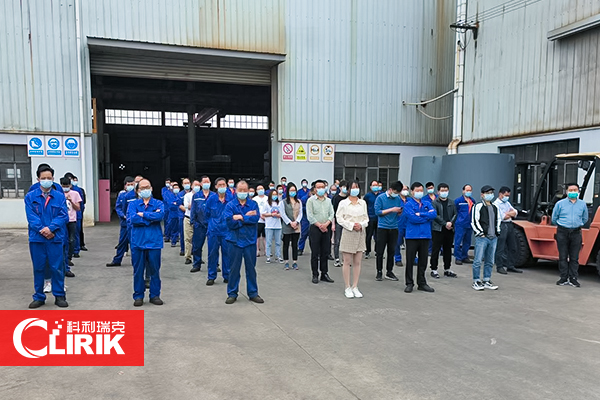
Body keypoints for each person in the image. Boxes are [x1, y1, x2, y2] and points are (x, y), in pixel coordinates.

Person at [25, 164, 69, 308]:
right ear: (38, 179)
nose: (46, 180)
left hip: (55, 238)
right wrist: (42, 230)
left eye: (49, 178)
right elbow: (31, 217)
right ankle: (39, 296)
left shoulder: (59, 197)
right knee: (38, 268)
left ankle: (59, 295)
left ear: (53, 179)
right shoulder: (30, 197)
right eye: (43, 178)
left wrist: (51, 229)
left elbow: (63, 215)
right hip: (37, 239)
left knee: (57, 267)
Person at [223, 181, 264, 304]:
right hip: (234, 241)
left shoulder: (253, 204)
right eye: (240, 190)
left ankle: (253, 293)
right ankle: (232, 293)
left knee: (251, 269)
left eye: (245, 190)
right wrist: (246, 217)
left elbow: (255, 218)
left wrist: (240, 217)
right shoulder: (230, 205)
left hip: (249, 241)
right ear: (236, 191)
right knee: (233, 269)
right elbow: (230, 223)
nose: (242, 192)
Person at [127, 179, 165, 306]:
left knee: (155, 270)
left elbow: (160, 216)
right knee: (138, 271)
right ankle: (138, 295)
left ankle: (155, 295)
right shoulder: (133, 204)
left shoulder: (158, 203)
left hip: (154, 242)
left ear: (151, 188)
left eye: (147, 187)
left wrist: (143, 214)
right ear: (138, 191)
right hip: (138, 242)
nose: (145, 190)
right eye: (142, 188)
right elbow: (133, 219)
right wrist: (151, 218)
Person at [552, 183, 588, 287]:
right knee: (563, 256)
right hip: (562, 231)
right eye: (570, 190)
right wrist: (561, 225)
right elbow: (554, 218)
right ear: (567, 191)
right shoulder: (560, 204)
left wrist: (578, 224)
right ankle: (563, 278)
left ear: (578, 191)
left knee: (574, 257)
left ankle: (573, 278)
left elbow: (585, 218)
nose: (573, 192)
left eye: (575, 190)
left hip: (576, 232)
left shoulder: (582, 204)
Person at [336, 181, 368, 299]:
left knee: (357, 261)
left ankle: (355, 286)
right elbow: (339, 218)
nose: (355, 189)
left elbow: (366, 218)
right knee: (347, 261)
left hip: (360, 233)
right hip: (348, 232)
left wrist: (361, 225)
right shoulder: (343, 203)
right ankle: (347, 286)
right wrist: (351, 225)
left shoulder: (362, 203)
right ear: (348, 189)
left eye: (357, 187)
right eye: (353, 187)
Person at [403, 182, 437, 293]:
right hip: (412, 236)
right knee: (410, 260)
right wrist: (426, 217)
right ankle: (409, 283)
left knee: (423, 261)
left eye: (421, 191)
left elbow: (434, 215)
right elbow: (413, 218)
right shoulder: (408, 204)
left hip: (425, 235)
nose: (419, 193)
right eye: (417, 191)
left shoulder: (427, 203)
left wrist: (421, 214)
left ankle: (422, 283)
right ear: (412, 192)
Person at [471, 185, 501, 291]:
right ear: (482, 195)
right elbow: (474, 221)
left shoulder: (495, 207)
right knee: (478, 260)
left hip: (493, 237)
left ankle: (487, 280)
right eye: (487, 193)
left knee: (490, 261)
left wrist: (497, 232)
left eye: (491, 193)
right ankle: (476, 281)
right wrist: (480, 233)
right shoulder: (478, 206)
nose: (490, 195)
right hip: (482, 238)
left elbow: (498, 220)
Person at [374, 181, 404, 282]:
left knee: (391, 251)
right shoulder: (380, 198)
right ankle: (379, 271)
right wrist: (391, 209)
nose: (396, 194)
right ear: (390, 190)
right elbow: (378, 212)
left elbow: (398, 212)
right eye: (395, 192)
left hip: (394, 227)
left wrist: (399, 211)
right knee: (380, 251)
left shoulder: (398, 198)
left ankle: (389, 271)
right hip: (382, 227)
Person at [306, 180, 335, 284]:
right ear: (314, 189)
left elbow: (331, 213)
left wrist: (326, 224)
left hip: (326, 228)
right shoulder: (310, 201)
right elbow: (310, 216)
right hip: (315, 228)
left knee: (325, 252)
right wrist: (320, 225)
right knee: (315, 253)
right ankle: (315, 274)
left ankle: (324, 273)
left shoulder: (328, 201)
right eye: (319, 187)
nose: (321, 189)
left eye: (323, 187)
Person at [205, 177, 232, 285]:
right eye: (219, 185)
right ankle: (211, 276)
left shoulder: (231, 198)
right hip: (213, 231)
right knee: (212, 254)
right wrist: (212, 224)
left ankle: (227, 275)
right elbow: (206, 214)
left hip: (226, 231)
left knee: (227, 254)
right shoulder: (211, 199)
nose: (222, 187)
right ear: (216, 186)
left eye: (223, 185)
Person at [430, 183, 457, 278]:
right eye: (442, 190)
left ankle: (447, 269)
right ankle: (434, 269)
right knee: (436, 250)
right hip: (438, 229)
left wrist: (451, 223)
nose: (444, 192)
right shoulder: (435, 202)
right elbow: (435, 215)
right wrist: (445, 223)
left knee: (448, 249)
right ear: (438, 192)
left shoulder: (452, 202)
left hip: (449, 229)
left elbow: (455, 214)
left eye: (446, 190)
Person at [107, 176, 136, 267]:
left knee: (134, 243)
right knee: (122, 243)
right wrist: (123, 215)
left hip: (135, 223)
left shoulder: (136, 195)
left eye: (132, 184)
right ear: (125, 186)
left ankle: (136, 261)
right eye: (128, 184)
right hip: (125, 223)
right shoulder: (122, 195)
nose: (130, 186)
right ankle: (117, 260)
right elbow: (118, 207)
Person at [493, 187, 523, 275]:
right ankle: (499, 266)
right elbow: (502, 217)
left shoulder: (507, 203)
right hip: (502, 225)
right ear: (500, 194)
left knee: (513, 246)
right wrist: (510, 214)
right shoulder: (496, 204)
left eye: (508, 195)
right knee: (501, 247)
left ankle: (510, 265)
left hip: (510, 224)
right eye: (506, 195)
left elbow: (515, 212)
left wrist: (508, 214)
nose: (507, 197)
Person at [190, 176, 213, 272]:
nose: (206, 183)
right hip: (199, 224)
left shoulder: (214, 195)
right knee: (197, 246)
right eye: (204, 182)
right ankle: (196, 264)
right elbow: (193, 209)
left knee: (213, 246)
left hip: (212, 224)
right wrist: (192, 221)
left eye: (208, 181)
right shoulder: (196, 196)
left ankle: (214, 265)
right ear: (201, 184)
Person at [280, 182, 303, 270]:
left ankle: (295, 262)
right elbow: (283, 214)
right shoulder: (283, 202)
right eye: (291, 190)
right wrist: (290, 223)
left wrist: (296, 222)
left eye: (294, 190)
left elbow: (300, 213)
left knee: (295, 244)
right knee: (286, 244)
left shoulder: (299, 202)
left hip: (296, 226)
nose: (293, 192)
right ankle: (286, 262)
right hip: (287, 226)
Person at [60, 177, 82, 268]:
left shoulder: (75, 194)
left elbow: (78, 208)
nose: (65, 188)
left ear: (70, 185)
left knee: (71, 239)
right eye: (63, 186)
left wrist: (71, 201)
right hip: (62, 220)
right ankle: (63, 257)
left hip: (72, 219)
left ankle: (69, 257)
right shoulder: (59, 194)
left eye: (67, 186)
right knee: (62, 239)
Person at [64, 173, 85, 258]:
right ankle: (67, 253)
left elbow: (81, 204)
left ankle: (75, 250)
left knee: (75, 234)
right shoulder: (59, 193)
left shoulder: (77, 191)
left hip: (75, 216)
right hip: (64, 218)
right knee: (66, 236)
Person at [454, 184, 475, 265]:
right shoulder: (458, 201)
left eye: (470, 190)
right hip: (460, 224)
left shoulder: (472, 201)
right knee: (458, 241)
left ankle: (464, 256)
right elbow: (455, 212)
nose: (469, 192)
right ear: (463, 191)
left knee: (467, 242)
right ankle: (458, 257)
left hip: (469, 224)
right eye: (467, 190)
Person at [262, 188, 283, 264]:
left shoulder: (279, 203)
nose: (275, 196)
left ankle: (278, 256)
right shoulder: (266, 203)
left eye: (276, 194)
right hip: (269, 225)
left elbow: (282, 213)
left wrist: (279, 215)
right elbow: (263, 213)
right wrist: (271, 214)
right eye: (273, 194)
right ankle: (268, 256)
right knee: (269, 242)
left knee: (278, 242)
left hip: (278, 226)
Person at [331, 180, 348, 267]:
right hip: (338, 222)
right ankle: (337, 259)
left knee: (346, 241)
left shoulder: (349, 198)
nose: (345, 189)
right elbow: (333, 212)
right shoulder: (336, 198)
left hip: (347, 223)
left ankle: (345, 259)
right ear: (340, 188)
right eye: (344, 187)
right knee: (337, 241)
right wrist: (333, 224)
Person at [183, 180, 200, 265]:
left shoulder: (201, 196)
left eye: (198, 185)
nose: (197, 186)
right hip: (188, 218)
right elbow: (187, 206)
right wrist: (197, 206)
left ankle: (198, 257)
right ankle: (188, 257)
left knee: (198, 240)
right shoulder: (187, 195)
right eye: (195, 185)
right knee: (188, 239)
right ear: (192, 186)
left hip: (198, 220)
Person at [363, 180, 380, 259]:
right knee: (368, 235)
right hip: (370, 218)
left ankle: (377, 251)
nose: (375, 187)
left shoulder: (381, 195)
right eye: (373, 185)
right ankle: (367, 251)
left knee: (378, 236)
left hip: (379, 218)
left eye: (376, 185)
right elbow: (364, 206)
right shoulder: (368, 196)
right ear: (370, 187)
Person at [394, 185, 410, 267]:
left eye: (406, 189)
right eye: (403, 189)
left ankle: (413, 258)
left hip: (409, 224)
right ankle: (397, 259)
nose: (405, 191)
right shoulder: (396, 200)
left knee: (411, 243)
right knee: (397, 242)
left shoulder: (410, 200)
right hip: (398, 224)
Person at [70, 175, 87, 252]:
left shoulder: (78, 190)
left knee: (77, 232)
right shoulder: (62, 191)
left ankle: (77, 248)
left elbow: (82, 203)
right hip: (69, 216)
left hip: (77, 214)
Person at [177, 178, 192, 256]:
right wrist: (188, 210)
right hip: (183, 216)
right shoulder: (180, 194)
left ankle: (192, 249)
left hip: (193, 216)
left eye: (188, 183)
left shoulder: (194, 193)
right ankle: (183, 249)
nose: (187, 184)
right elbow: (180, 205)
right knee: (183, 234)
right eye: (185, 183)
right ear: (182, 185)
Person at [297, 185, 313, 256]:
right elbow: (301, 207)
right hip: (305, 218)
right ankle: (300, 248)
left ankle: (314, 250)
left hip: (313, 219)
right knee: (304, 234)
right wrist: (307, 209)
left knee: (313, 236)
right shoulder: (304, 198)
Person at [254, 185, 268, 257]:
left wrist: (266, 216)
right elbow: (254, 210)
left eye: (262, 189)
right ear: (256, 191)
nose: (260, 190)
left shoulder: (267, 198)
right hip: (258, 220)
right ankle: (257, 250)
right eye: (259, 189)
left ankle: (267, 250)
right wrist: (260, 215)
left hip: (267, 220)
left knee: (266, 236)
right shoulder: (254, 199)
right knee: (257, 236)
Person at [166, 182, 181, 246]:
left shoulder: (181, 195)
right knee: (174, 228)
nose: (176, 189)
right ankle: (173, 241)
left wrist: (176, 203)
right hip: (173, 215)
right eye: (175, 188)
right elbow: (171, 205)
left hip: (181, 214)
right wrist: (178, 204)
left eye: (177, 188)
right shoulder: (170, 195)